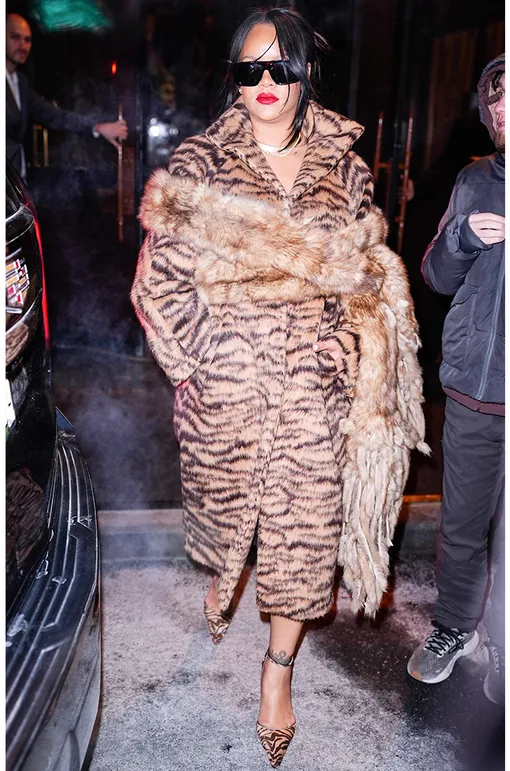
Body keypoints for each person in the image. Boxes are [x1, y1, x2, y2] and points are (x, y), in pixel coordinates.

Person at [131, 8, 428, 767]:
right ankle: (224, 577)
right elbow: (158, 284)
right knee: (228, 515)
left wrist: (340, 350)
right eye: (249, 68)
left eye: (280, 67)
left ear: (303, 72)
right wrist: (202, 363)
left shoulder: (347, 169)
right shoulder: (200, 162)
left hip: (311, 393)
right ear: (234, 77)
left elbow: (365, 283)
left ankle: (277, 672)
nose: (264, 82)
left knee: (303, 539)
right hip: (227, 386)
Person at [407, 55, 505, 706]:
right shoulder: (474, 182)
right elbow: (436, 275)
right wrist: (463, 238)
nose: (504, 110)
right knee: (463, 524)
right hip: (474, 388)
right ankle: (454, 629)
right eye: (496, 100)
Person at [6, 12, 128, 178]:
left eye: (27, 40)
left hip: (17, 180)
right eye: (15, 37)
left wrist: (99, 128)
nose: (23, 45)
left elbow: (55, 116)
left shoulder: (20, 82)